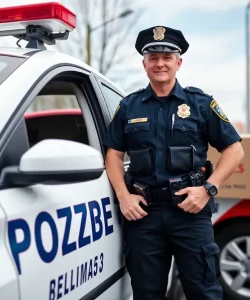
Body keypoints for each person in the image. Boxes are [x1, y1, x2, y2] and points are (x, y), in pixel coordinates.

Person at [103, 25, 244, 300]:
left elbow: (234, 150)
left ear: (179, 62)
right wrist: (124, 197)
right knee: (146, 293)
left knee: (204, 292)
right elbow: (113, 154)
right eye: (153, 57)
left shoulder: (200, 103)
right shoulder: (129, 107)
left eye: (167, 57)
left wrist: (208, 190)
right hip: (144, 215)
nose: (160, 63)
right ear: (144, 63)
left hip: (190, 212)